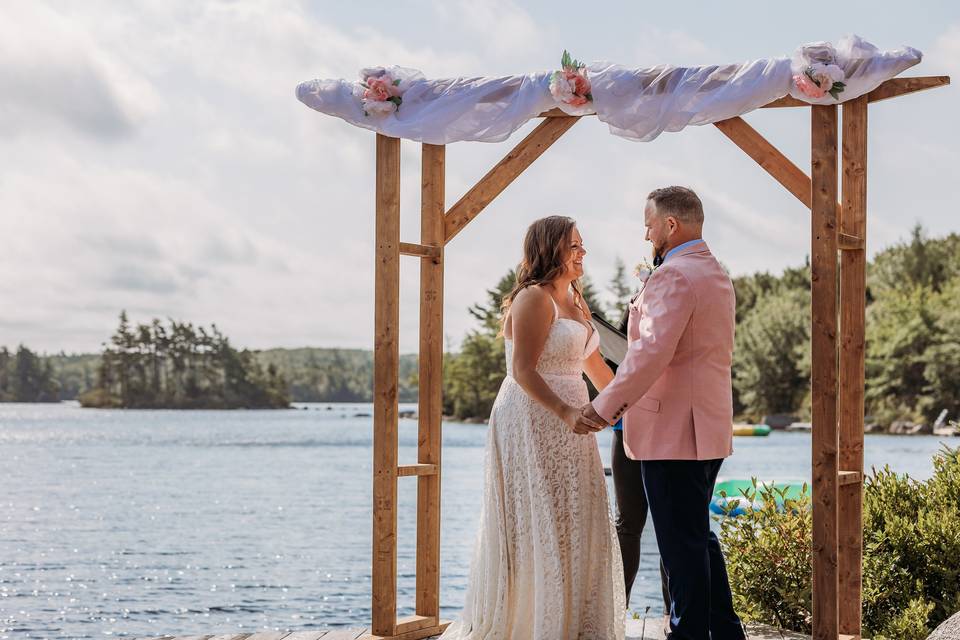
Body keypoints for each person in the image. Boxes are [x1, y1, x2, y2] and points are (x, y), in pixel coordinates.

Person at [441, 215, 625, 640]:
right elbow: (522, 370)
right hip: (532, 416)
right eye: (574, 246)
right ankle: (533, 621)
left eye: (583, 245)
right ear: (551, 249)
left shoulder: (578, 302)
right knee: (537, 516)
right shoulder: (533, 298)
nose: (582, 253)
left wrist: (628, 407)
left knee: (575, 515)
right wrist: (565, 412)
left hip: (574, 421)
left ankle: (576, 622)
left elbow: (597, 370)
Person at [578, 186, 746, 640]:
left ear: (670, 225)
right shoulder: (714, 272)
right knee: (698, 538)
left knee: (680, 545)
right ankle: (727, 633)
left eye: (649, 223)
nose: (646, 232)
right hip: (705, 426)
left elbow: (650, 354)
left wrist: (602, 408)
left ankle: (689, 634)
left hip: (673, 429)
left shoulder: (674, 276)